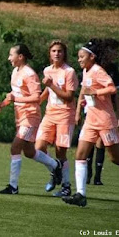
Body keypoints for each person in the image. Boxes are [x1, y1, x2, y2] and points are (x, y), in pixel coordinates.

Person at [0, 44, 62, 195]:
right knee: (29, 152)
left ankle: (13, 187)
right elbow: (16, 93)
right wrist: (6, 101)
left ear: (20, 57)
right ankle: (55, 164)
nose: (9, 58)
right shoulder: (15, 71)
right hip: (20, 116)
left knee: (15, 147)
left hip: (30, 116)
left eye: (11, 55)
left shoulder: (29, 74)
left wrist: (15, 98)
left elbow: (35, 97)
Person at [63, 38, 119, 207]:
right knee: (80, 154)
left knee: (115, 158)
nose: (79, 59)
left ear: (92, 57)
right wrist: (83, 104)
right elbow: (86, 91)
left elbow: (111, 88)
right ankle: (81, 194)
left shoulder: (98, 71)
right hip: (91, 120)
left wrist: (95, 92)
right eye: (79, 57)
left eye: (82, 57)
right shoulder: (87, 71)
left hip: (105, 120)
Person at [35, 40, 79, 197]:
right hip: (50, 114)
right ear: (49, 53)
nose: (57, 53)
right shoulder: (47, 70)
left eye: (59, 51)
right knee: (38, 147)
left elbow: (68, 97)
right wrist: (37, 102)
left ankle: (66, 186)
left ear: (64, 53)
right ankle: (55, 170)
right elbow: (48, 91)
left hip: (65, 115)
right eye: (53, 51)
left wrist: (51, 85)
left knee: (61, 153)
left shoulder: (69, 72)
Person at [85, 38, 119, 186]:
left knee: (104, 146)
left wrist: (117, 114)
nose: (116, 54)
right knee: (88, 143)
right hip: (92, 108)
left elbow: (115, 93)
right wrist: (80, 106)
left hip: (106, 112)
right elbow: (84, 89)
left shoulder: (112, 69)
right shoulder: (92, 67)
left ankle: (97, 176)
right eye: (114, 50)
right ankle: (87, 175)